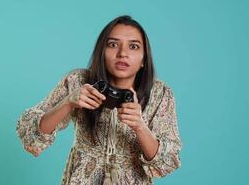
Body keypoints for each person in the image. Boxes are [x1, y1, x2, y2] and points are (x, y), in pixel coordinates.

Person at [16, 15, 182, 185]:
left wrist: (139, 126)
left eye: (133, 46)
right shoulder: (78, 81)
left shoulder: (160, 94)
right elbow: (31, 135)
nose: (122, 53)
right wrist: (68, 102)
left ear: (144, 59)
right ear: (101, 52)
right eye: (113, 44)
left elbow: (166, 162)